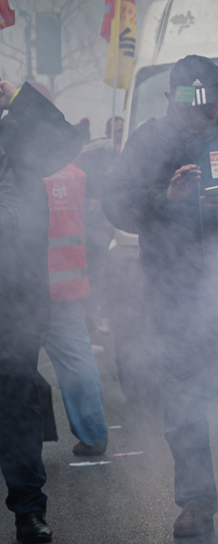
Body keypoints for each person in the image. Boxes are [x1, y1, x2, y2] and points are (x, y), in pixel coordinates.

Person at [104, 55, 218, 539]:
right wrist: (166, 199)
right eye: (190, 109)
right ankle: (196, 504)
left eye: (209, 107)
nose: (200, 117)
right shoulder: (147, 142)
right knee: (183, 410)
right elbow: (114, 201)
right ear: (170, 101)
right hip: (172, 297)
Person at [0, 80, 83, 544]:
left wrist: (18, 100)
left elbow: (67, 139)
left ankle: (28, 510)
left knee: (16, 407)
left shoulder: (15, 135)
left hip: (13, 299)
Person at [42, 158, 110, 457]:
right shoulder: (76, 174)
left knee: (13, 367)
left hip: (23, 288)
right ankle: (93, 436)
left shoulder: (15, 167)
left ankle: (19, 443)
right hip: (69, 285)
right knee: (77, 362)